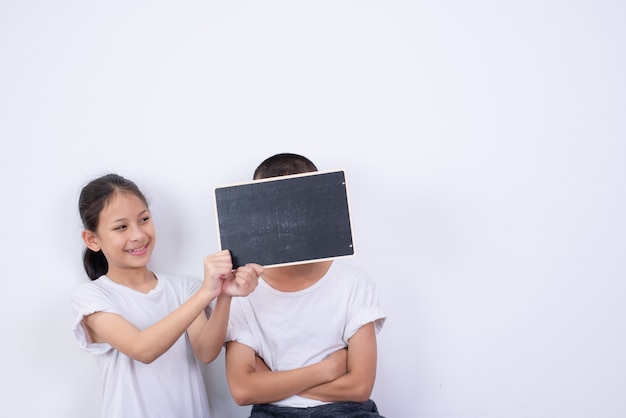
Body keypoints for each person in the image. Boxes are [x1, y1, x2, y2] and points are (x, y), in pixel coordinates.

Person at [71, 173, 263, 418]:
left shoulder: (184, 288)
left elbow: (206, 352)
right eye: (121, 227)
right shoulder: (92, 296)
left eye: (144, 219)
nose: (138, 235)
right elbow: (142, 349)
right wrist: (206, 293)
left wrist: (224, 295)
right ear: (92, 239)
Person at [224, 153, 387, 417]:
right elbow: (243, 391)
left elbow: (359, 387)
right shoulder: (242, 291)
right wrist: (326, 370)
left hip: (347, 411)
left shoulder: (354, 282)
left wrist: (275, 381)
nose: (286, 220)